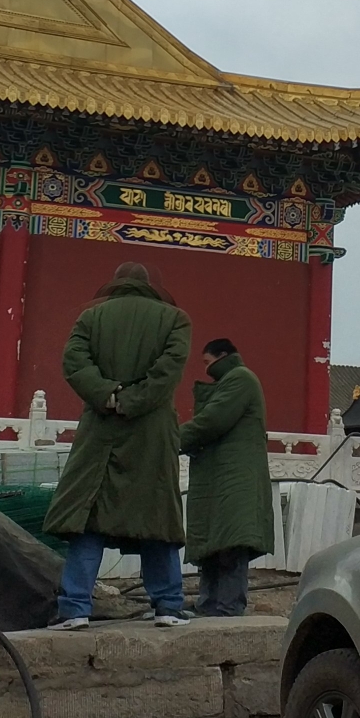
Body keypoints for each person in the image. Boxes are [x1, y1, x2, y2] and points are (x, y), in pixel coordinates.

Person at [42, 261, 193, 629]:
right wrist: (135, 400)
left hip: (100, 428)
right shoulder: (176, 320)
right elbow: (168, 370)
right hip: (152, 431)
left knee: (88, 518)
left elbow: (74, 362)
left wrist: (109, 396)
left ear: (115, 285)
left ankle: (75, 607)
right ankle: (168, 607)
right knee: (157, 516)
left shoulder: (91, 318)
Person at [179, 338, 274, 617]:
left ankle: (229, 605)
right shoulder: (233, 381)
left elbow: (212, 419)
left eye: (208, 362)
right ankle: (208, 604)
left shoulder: (240, 380)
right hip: (220, 476)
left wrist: (170, 439)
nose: (205, 369)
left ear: (223, 356)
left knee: (232, 543)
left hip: (235, 478)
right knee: (213, 544)